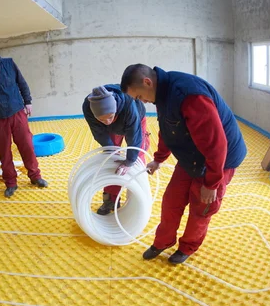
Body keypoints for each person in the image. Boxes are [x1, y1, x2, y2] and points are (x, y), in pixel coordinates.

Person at [120, 64, 246, 264]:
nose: (141, 101)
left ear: (147, 82)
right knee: (171, 201)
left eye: (138, 97)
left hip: (219, 160)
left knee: (202, 208)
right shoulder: (161, 95)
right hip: (192, 155)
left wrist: (211, 183)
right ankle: (163, 242)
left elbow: (216, 143)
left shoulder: (190, 96)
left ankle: (187, 246)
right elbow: (168, 130)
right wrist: (158, 159)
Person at [0, 44, 48, 198]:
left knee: (27, 144)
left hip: (17, 112)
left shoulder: (8, 63)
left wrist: (28, 101)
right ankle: (11, 183)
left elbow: (22, 83)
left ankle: (35, 176)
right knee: (3, 151)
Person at [83, 84, 151, 215]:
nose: (107, 121)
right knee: (112, 159)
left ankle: (137, 199)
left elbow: (134, 137)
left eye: (110, 117)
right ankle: (111, 199)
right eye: (102, 119)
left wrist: (129, 161)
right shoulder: (88, 107)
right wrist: (111, 151)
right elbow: (99, 133)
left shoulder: (129, 105)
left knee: (137, 157)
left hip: (135, 119)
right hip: (114, 126)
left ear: (115, 109)